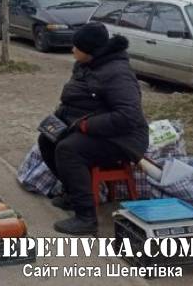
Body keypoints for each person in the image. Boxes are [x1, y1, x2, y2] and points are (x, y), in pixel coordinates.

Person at [37, 23, 148, 235]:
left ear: (89, 50)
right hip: (93, 128)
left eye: (76, 47)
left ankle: (86, 217)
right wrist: (60, 118)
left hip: (123, 138)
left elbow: (128, 116)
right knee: (48, 139)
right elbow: (77, 99)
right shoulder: (86, 65)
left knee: (68, 149)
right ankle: (71, 193)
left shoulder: (117, 73)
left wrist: (87, 125)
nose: (72, 50)